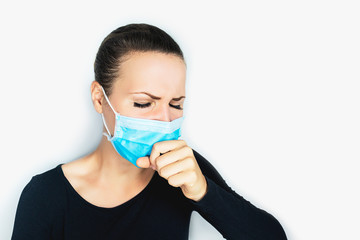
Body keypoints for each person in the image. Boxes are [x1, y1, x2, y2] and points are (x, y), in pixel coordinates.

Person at [11, 23, 287, 240]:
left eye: (176, 104)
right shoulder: (45, 195)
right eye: (144, 103)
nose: (165, 120)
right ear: (99, 98)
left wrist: (204, 192)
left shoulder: (184, 170)